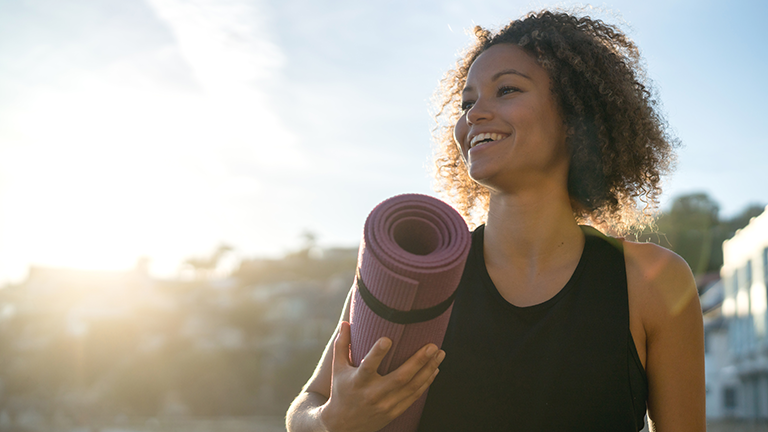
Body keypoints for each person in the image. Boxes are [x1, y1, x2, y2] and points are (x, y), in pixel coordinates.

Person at [286, 9, 705, 432]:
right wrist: (330, 421)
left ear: (577, 117)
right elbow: (308, 404)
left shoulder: (653, 282)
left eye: (506, 90)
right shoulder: (418, 268)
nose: (474, 114)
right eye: (468, 102)